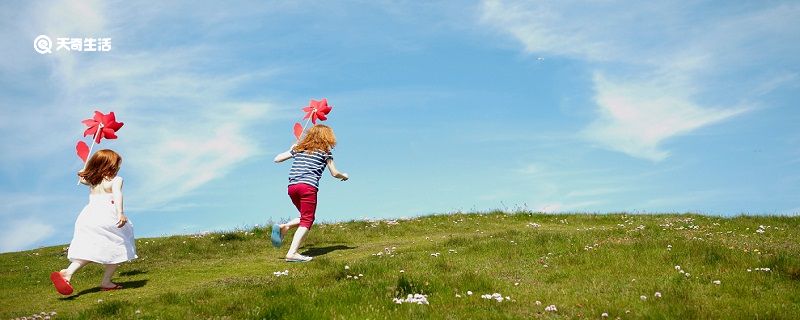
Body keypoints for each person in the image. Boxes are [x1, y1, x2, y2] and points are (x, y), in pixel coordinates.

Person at [50, 149, 137, 295]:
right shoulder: (116, 180)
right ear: (109, 165)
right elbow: (117, 194)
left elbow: (82, 177)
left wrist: (85, 169)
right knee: (119, 246)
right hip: (107, 216)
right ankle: (106, 281)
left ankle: (68, 273)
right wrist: (120, 213)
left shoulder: (93, 181)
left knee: (90, 249)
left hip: (89, 217)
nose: (118, 168)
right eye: (116, 165)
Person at [272, 124, 348, 262]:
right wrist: (344, 176)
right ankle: (292, 253)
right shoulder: (325, 151)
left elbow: (277, 159)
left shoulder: (300, 148)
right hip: (308, 187)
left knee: (305, 216)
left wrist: (291, 149)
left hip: (292, 187)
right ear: (327, 137)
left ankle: (285, 226)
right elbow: (334, 173)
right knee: (307, 220)